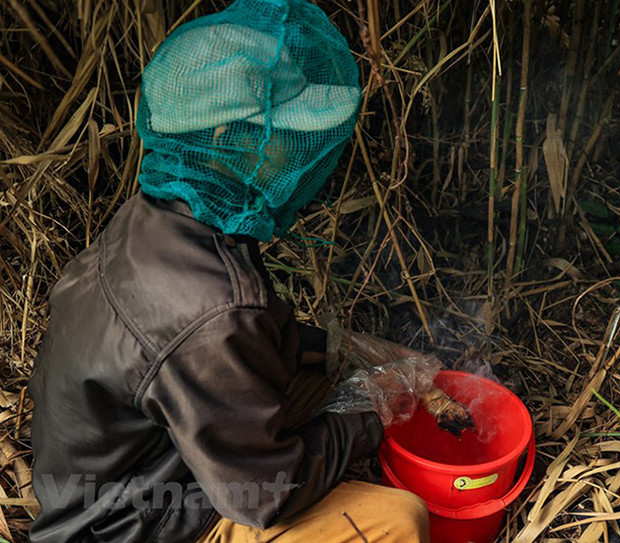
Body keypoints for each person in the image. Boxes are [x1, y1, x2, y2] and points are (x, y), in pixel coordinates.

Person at [27, 0, 430, 541]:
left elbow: (237, 343)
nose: (299, 153)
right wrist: (375, 415)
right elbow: (265, 496)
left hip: (123, 478)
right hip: (133, 525)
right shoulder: (212, 304)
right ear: (223, 141)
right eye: (284, 134)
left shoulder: (157, 217)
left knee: (328, 381)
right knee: (400, 520)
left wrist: (349, 350)